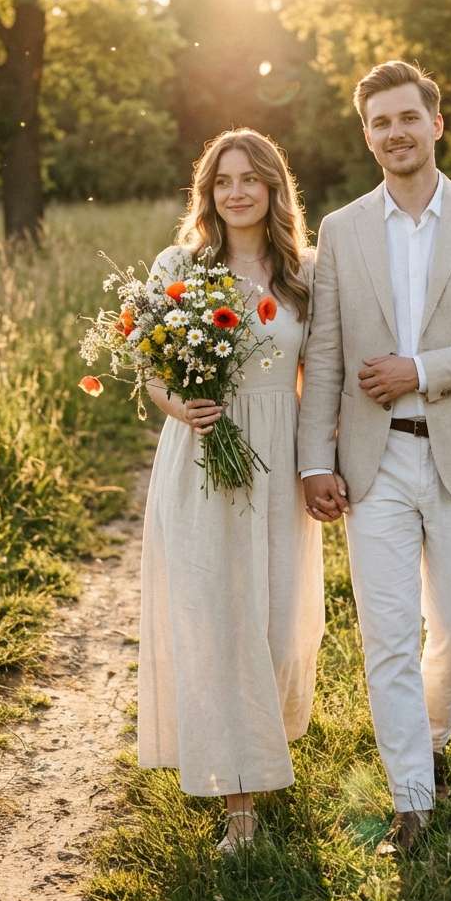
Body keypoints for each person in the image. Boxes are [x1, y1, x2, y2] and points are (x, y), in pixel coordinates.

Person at [298, 60, 451, 857]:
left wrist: (422, 370)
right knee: (389, 635)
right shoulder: (341, 230)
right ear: (366, 136)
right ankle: (410, 799)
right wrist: (315, 461)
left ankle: (432, 739)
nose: (395, 132)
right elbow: (324, 357)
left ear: (436, 124)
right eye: (380, 122)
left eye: (408, 118)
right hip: (374, 462)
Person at [137, 128, 326, 852]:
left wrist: (321, 464)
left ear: (275, 187)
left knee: (277, 625)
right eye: (223, 181)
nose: (237, 192)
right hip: (202, 455)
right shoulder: (179, 266)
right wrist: (182, 407)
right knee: (217, 625)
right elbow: (151, 370)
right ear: (207, 193)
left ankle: (260, 751)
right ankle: (238, 805)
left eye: (250, 179)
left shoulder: (306, 272)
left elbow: (323, 376)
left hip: (278, 458)